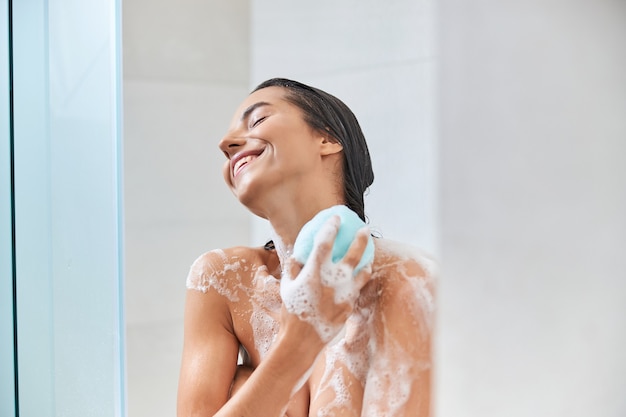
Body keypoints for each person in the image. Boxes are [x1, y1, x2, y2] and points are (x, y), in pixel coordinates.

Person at [177, 78, 436, 417]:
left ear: (326, 139)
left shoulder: (406, 279)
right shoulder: (223, 281)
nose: (226, 143)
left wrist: (248, 390)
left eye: (257, 120)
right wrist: (301, 343)